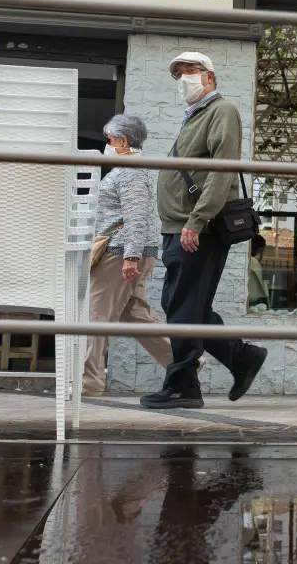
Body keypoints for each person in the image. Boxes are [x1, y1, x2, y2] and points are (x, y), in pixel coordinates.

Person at [141, 52, 268, 409]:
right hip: (180, 225)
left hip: (197, 227)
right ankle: (241, 356)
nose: (184, 78)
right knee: (181, 304)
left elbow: (221, 170)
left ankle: (183, 386)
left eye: (191, 71)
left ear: (209, 77)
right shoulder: (195, 116)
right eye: (178, 74)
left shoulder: (221, 111)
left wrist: (196, 221)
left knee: (183, 306)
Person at [82, 114, 173, 395]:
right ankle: (183, 363)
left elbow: (137, 216)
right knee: (134, 315)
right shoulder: (130, 169)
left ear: (122, 140)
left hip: (119, 252)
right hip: (126, 251)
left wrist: (130, 257)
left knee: (97, 318)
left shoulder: (130, 171)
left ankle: (90, 382)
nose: (107, 144)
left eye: (109, 139)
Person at [247, 234, 270, 308]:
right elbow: (261, 292)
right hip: (253, 300)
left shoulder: (248, 260)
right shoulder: (254, 262)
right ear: (259, 250)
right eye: (262, 251)